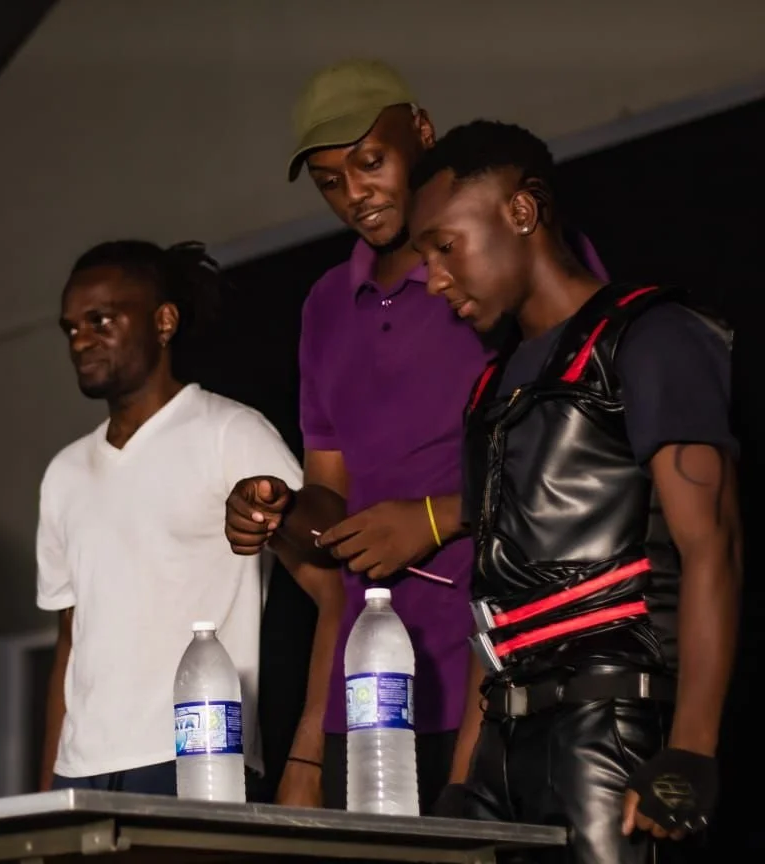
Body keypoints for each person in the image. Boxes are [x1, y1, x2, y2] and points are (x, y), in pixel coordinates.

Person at [226, 59, 609, 813]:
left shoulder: (504, 266)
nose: (355, 193)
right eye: (330, 181)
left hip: (500, 676)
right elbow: (331, 504)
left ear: (423, 132)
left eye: (370, 161)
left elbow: (586, 452)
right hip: (368, 704)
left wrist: (432, 517)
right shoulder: (324, 307)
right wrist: (277, 510)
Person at [408, 119, 739, 863]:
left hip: (611, 731)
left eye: (443, 246)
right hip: (502, 742)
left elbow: (712, 545)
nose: (432, 278)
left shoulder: (652, 336)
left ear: (520, 212)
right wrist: (464, 776)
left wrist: (691, 750)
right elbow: (492, 602)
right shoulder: (490, 389)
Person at [37, 240, 303, 795]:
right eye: (70, 328)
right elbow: (70, 640)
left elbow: (333, 587)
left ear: (163, 321)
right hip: (82, 771)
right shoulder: (64, 472)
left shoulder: (231, 433)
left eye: (100, 320)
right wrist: (47, 793)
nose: (80, 340)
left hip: (197, 756)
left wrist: (308, 760)